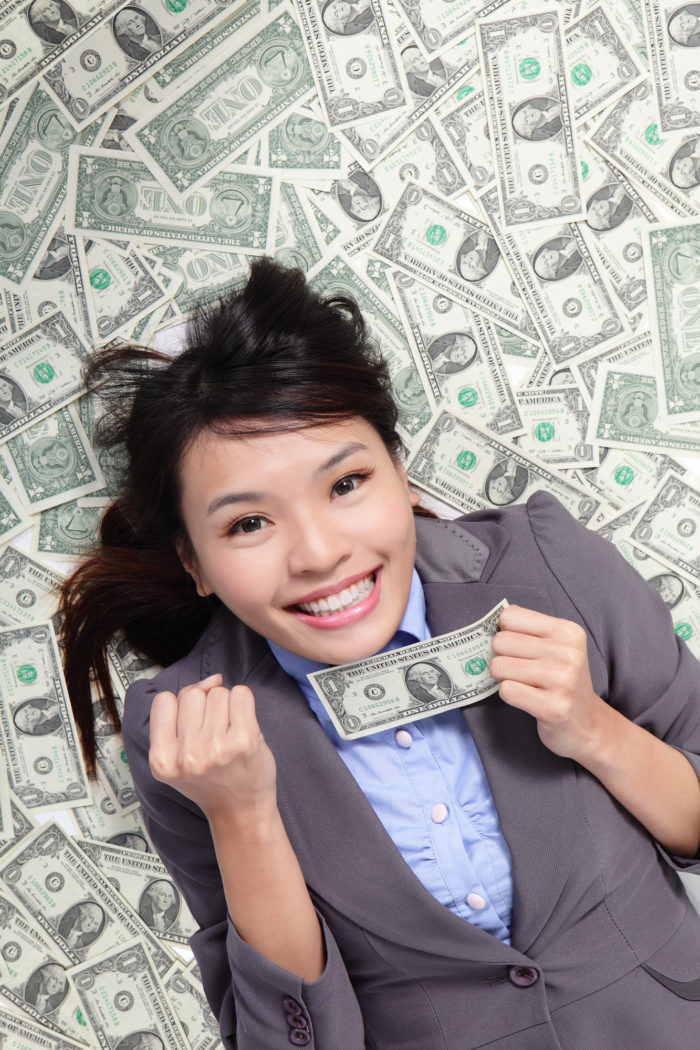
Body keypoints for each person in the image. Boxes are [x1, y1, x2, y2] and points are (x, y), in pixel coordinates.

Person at [59, 258, 700, 1050]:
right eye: (248, 524)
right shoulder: (185, 738)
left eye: (347, 483)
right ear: (193, 562)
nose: (320, 553)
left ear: (398, 470)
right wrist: (243, 818)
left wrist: (597, 731)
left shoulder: (548, 564)